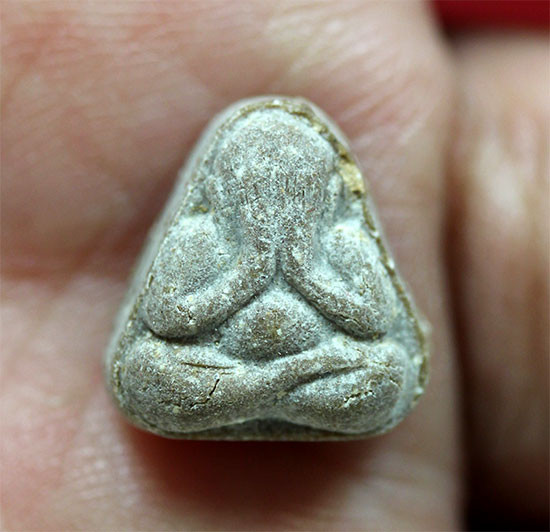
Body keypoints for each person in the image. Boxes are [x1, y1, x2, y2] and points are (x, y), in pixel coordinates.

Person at [2, 1, 548, 530]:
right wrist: (247, 272)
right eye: (254, 193)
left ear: (327, 193)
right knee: (148, 373)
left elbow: (376, 322)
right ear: (221, 191)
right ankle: (273, 388)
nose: (276, 207)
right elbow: (166, 319)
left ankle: (258, 393)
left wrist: (307, 272)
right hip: (250, 368)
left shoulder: (341, 242)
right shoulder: (200, 237)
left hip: (302, 368)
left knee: (387, 373)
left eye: (296, 193)